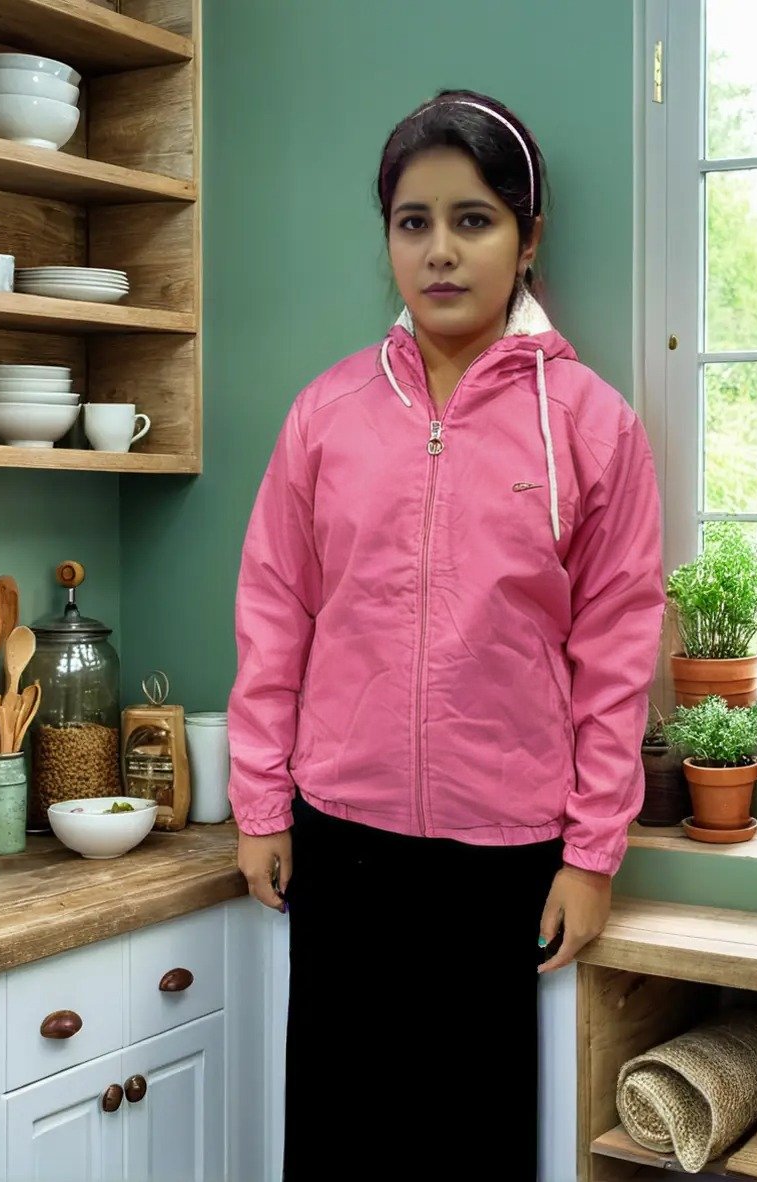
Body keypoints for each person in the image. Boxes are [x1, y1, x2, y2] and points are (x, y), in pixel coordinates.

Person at [228, 89, 665, 1181]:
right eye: (411, 221)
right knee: (338, 1138)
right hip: (341, 841)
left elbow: (615, 653)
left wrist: (591, 855)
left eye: (472, 220)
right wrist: (260, 805)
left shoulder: (591, 426)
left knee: (471, 1144)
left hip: (504, 857)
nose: (438, 250)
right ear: (385, 235)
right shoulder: (325, 415)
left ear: (528, 236)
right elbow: (273, 612)